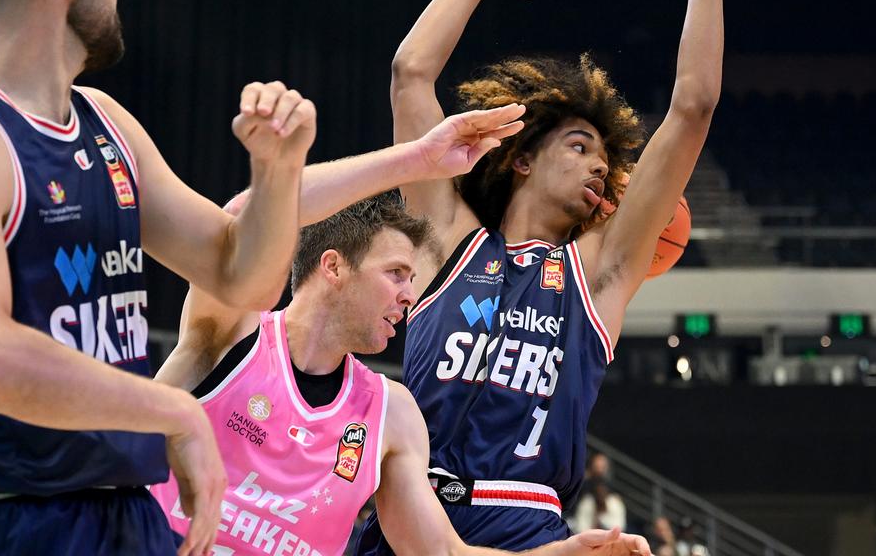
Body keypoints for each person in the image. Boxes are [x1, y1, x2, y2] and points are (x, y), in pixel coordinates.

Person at [0, 0, 316, 556]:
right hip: (16, 518)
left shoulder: (107, 124)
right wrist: (172, 410)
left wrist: (279, 171)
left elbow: (243, 277)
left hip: (127, 515)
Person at [359, 0, 735, 551]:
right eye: (580, 145)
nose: (598, 165)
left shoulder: (598, 273)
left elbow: (693, 106)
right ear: (524, 158)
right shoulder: (447, 240)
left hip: (526, 525)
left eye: (604, 157)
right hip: (409, 508)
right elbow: (410, 75)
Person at [154, 194, 651, 556]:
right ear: (333, 266)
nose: (410, 295)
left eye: (413, 279)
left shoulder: (389, 411)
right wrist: (413, 159)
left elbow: (445, 555)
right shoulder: (230, 331)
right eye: (396, 274)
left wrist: (563, 555)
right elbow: (243, 213)